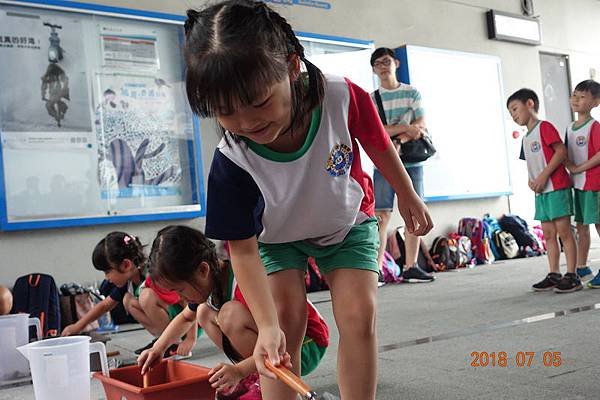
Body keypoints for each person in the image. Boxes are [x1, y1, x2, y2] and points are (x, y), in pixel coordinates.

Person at [183, 2, 433, 399]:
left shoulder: (339, 96)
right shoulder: (232, 159)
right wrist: (265, 327)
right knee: (284, 324)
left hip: (345, 221)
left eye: (260, 101)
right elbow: (243, 251)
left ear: (291, 66)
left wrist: (407, 194)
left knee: (358, 315)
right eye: (226, 112)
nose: (248, 122)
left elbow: (378, 143)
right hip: (278, 237)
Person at [137, 226, 329, 399]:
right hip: (273, 345)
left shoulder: (244, 284)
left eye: (180, 290)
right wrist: (158, 349)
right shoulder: (211, 284)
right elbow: (186, 317)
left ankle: (264, 382)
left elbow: (283, 338)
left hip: (302, 344)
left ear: (202, 270)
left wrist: (237, 370)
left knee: (230, 314)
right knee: (204, 312)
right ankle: (255, 374)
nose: (181, 297)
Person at [61, 231, 197, 357]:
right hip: (173, 321)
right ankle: (162, 340)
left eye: (107, 272)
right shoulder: (129, 281)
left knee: (146, 297)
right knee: (128, 300)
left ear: (126, 265)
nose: (107, 278)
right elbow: (104, 306)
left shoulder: (155, 275)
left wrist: (190, 339)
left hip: (187, 323)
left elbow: (188, 301)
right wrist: (77, 327)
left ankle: (172, 342)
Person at [370, 47, 435, 283]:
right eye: (378, 63)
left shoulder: (411, 93)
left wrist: (398, 139)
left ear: (396, 63)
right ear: (374, 70)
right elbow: (376, 130)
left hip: (412, 159)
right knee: (381, 214)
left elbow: (421, 125)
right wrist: (405, 128)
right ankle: (375, 270)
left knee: (414, 210)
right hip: (384, 161)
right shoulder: (371, 98)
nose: (383, 66)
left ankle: (410, 266)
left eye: (386, 61)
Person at [507, 89, 580, 293]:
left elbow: (561, 151)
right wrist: (533, 181)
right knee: (548, 233)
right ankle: (554, 272)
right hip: (541, 192)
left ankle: (572, 274)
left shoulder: (544, 127)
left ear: (529, 104)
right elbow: (532, 163)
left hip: (556, 186)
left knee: (564, 231)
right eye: (510, 113)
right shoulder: (526, 138)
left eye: (515, 109)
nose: (514, 115)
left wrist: (544, 176)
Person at [563, 79, 600, 287]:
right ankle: (581, 266)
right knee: (581, 226)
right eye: (574, 95)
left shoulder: (594, 127)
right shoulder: (570, 128)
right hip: (578, 185)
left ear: (596, 102)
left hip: (594, 184)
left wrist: (579, 168)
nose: (576, 99)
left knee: (598, 224)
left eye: (582, 96)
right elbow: (567, 155)